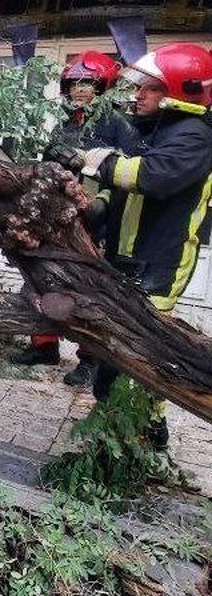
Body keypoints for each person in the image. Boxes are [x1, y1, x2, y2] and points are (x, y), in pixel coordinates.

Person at [84, 42, 212, 448]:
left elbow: (151, 177)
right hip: (125, 257)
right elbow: (126, 189)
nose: (139, 94)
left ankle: (147, 436)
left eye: (151, 87)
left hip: (159, 265)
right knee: (114, 351)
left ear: (181, 90)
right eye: (140, 86)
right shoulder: (155, 130)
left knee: (141, 357)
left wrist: (94, 161)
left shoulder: (196, 136)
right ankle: (117, 429)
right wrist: (99, 205)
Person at [13, 51, 139, 384]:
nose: (80, 89)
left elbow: (129, 172)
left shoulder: (119, 124)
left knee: (89, 290)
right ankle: (43, 345)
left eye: (87, 83)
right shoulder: (66, 121)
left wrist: (102, 202)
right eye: (74, 83)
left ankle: (90, 359)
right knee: (41, 276)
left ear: (103, 86)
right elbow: (47, 164)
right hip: (59, 213)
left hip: (98, 218)